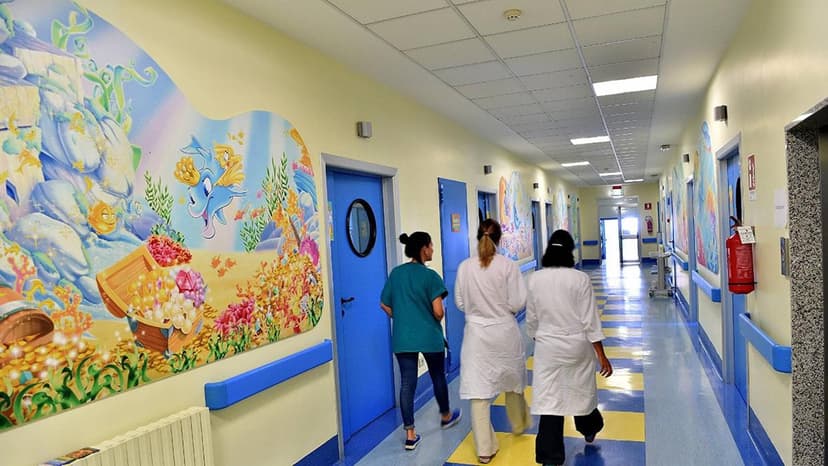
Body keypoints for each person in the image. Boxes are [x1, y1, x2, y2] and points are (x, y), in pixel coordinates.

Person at [526, 229, 613, 466]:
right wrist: (602, 355)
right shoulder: (580, 279)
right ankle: (589, 428)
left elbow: (532, 319)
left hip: (547, 348)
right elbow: (590, 320)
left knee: (549, 401)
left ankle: (550, 458)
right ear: (570, 252)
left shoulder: (535, 279)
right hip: (577, 346)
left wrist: (540, 338)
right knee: (580, 391)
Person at [454, 219, 530, 464]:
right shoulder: (508, 266)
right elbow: (518, 301)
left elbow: (460, 302)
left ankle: (484, 450)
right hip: (504, 333)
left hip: (476, 337)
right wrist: (502, 310)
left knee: (479, 394)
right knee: (513, 381)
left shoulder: (465, 267)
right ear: (500, 239)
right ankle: (519, 423)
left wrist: (478, 312)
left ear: (478, 237)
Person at [380, 231, 462, 451]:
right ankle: (446, 416)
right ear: (424, 249)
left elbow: (384, 304)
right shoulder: (431, 277)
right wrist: (431, 316)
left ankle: (410, 434)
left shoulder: (396, 274)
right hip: (429, 336)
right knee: (438, 376)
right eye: (431, 245)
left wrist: (403, 317)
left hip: (403, 337)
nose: (433, 249)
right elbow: (438, 312)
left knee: (407, 383)